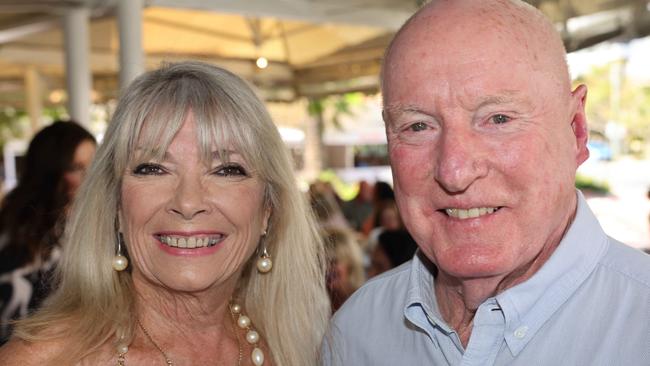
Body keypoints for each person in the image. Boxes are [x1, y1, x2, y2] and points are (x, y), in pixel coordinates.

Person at [321, 1, 650, 365]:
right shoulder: (355, 331)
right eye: (418, 126)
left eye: (498, 119)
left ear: (576, 130)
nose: (454, 171)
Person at [0, 61, 330, 365]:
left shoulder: (300, 347)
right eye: (153, 168)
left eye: (227, 170)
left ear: (267, 209)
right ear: (115, 203)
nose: (188, 202)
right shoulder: (41, 360)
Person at [0, 120, 96, 344]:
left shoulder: (97, 220)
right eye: (77, 168)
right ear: (51, 172)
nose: (90, 176)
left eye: (94, 165)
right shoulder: (19, 232)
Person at [322, 228, 365, 312]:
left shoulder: (362, 301)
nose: (326, 268)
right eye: (321, 262)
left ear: (351, 263)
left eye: (333, 262)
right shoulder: (317, 303)